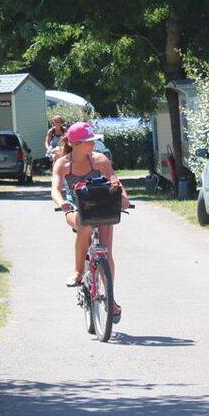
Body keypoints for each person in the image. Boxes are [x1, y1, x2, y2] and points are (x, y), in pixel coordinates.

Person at [51, 121, 130, 320]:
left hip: (101, 207)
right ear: (75, 144)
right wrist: (61, 202)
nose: (93, 144)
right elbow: (55, 189)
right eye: (88, 141)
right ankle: (79, 272)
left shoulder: (100, 160)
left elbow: (115, 180)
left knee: (106, 253)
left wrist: (124, 197)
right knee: (83, 223)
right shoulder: (63, 164)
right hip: (75, 208)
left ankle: (110, 299)